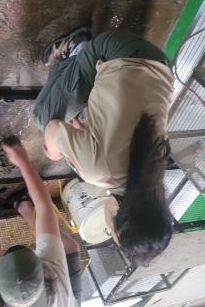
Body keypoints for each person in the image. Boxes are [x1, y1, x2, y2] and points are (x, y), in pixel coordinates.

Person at [33, 28, 174, 266]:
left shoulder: (154, 171)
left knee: (74, 110)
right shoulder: (98, 173)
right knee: (42, 117)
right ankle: (75, 50)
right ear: (117, 215)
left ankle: (75, 69)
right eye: (111, 231)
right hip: (115, 50)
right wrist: (55, 153)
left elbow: (123, 131)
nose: (107, 229)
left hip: (160, 67)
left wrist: (85, 137)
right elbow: (53, 128)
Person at [0, 139, 81, 306]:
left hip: (8, 294)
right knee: (70, 247)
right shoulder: (55, 280)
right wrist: (23, 162)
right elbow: (44, 207)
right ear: (43, 273)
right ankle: (24, 206)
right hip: (66, 300)